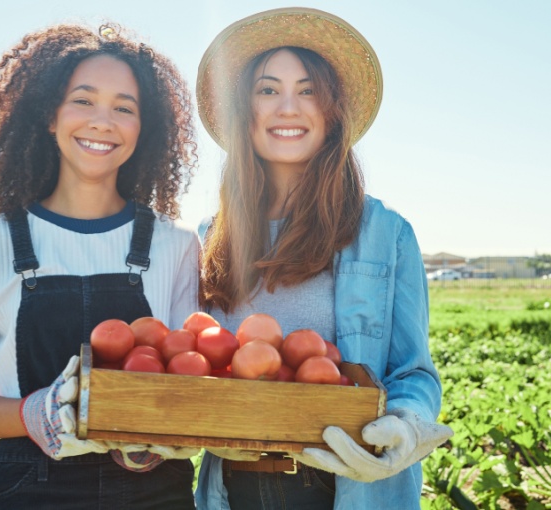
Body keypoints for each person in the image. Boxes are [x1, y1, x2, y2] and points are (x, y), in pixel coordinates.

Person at [194, 8, 453, 509]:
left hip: (345, 486)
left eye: (308, 90)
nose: (287, 107)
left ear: (332, 111)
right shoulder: (212, 236)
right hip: (233, 487)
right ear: (243, 110)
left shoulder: (385, 234)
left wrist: (402, 425)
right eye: (267, 90)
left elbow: (414, 373)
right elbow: (195, 365)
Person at [0, 22, 201, 509]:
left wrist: (173, 428)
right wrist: (31, 414)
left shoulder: (176, 245)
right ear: (49, 117)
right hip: (26, 486)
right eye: (83, 100)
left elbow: (188, 379)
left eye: (124, 107)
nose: (103, 120)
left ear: (144, 130)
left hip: (151, 489)